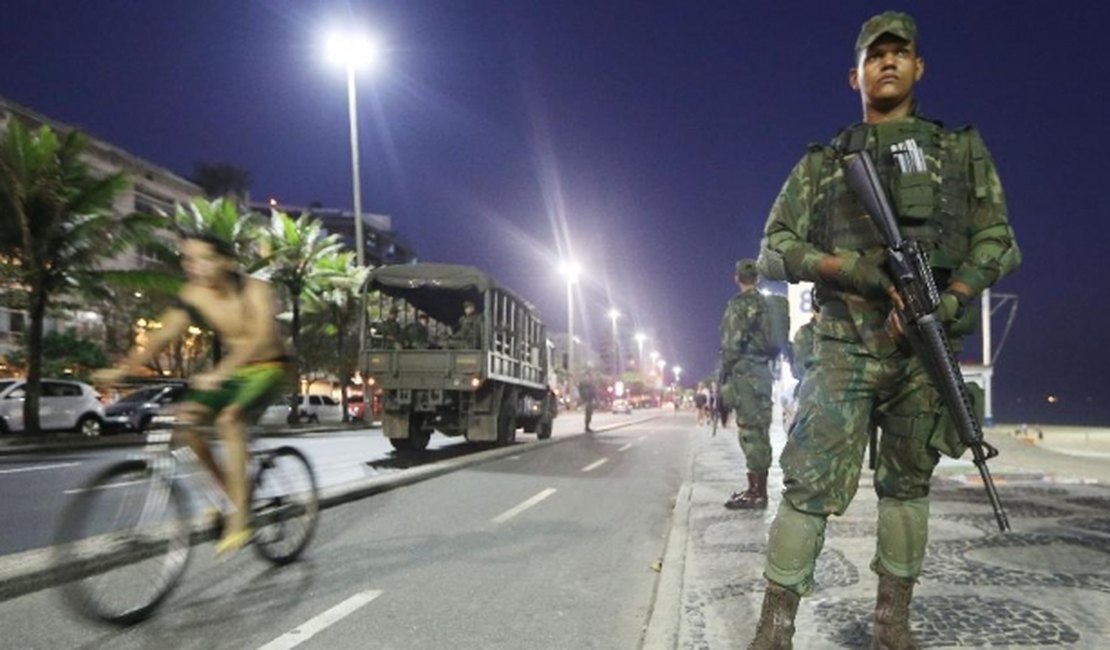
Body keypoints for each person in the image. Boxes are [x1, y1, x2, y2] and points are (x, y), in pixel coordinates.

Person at [748, 12, 1020, 648]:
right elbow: (773, 248)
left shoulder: (959, 153)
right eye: (876, 56)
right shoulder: (823, 165)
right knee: (809, 488)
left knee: (908, 490)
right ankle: (775, 627)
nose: (889, 63)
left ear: (919, 67)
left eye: (901, 54)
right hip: (842, 344)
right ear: (856, 75)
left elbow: (999, 242)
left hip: (924, 353)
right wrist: (854, 270)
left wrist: (952, 299)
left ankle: (891, 624)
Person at [96, 232, 291, 555]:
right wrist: (122, 368)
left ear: (225, 261)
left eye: (203, 259)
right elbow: (162, 335)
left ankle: (240, 518)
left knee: (230, 419)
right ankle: (231, 493)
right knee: (186, 424)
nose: (193, 267)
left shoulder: (256, 289)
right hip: (234, 372)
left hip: (270, 368)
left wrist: (219, 373)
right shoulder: (194, 295)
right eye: (187, 259)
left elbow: (260, 336)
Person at [718, 258, 776, 510]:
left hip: (745, 372)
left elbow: (732, 343)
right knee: (761, 429)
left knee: (750, 431)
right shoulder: (766, 304)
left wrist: (726, 369)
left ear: (736, 278)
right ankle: (758, 488)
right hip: (763, 372)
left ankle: (756, 493)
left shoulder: (739, 304)